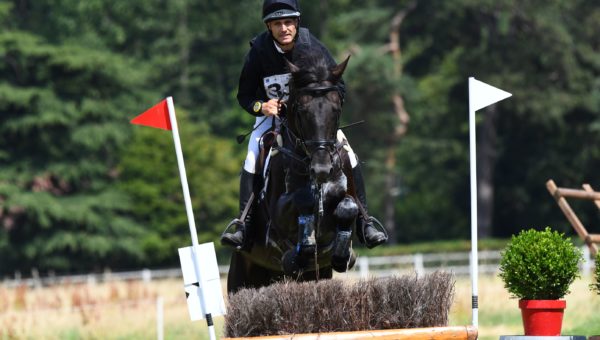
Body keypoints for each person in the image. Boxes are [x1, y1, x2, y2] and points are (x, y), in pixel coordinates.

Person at [220, 0, 387, 250]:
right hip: (272, 116)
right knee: (253, 156)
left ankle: (365, 222)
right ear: (269, 27)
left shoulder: (313, 47)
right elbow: (244, 95)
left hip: (312, 121)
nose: (284, 28)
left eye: (289, 22)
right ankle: (243, 224)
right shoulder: (258, 52)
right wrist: (261, 106)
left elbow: (338, 85)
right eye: (278, 24)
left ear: (297, 23)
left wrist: (322, 107)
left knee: (349, 155)